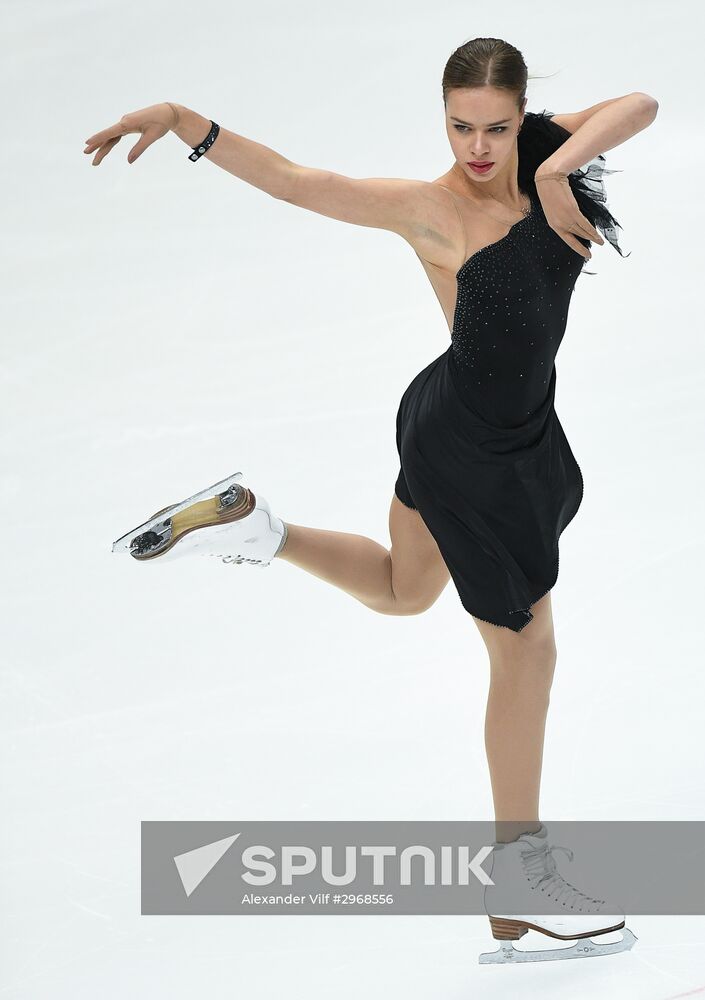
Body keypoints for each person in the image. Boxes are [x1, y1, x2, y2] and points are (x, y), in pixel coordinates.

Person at [90, 37, 657, 963]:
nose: (478, 147)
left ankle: (255, 527)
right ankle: (521, 881)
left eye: (496, 128)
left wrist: (552, 170)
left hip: (488, 429)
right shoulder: (427, 208)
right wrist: (188, 124)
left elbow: (638, 100)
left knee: (402, 589)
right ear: (441, 119)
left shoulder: (539, 153)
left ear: (522, 116)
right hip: (469, 450)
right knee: (528, 652)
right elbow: (291, 180)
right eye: (459, 126)